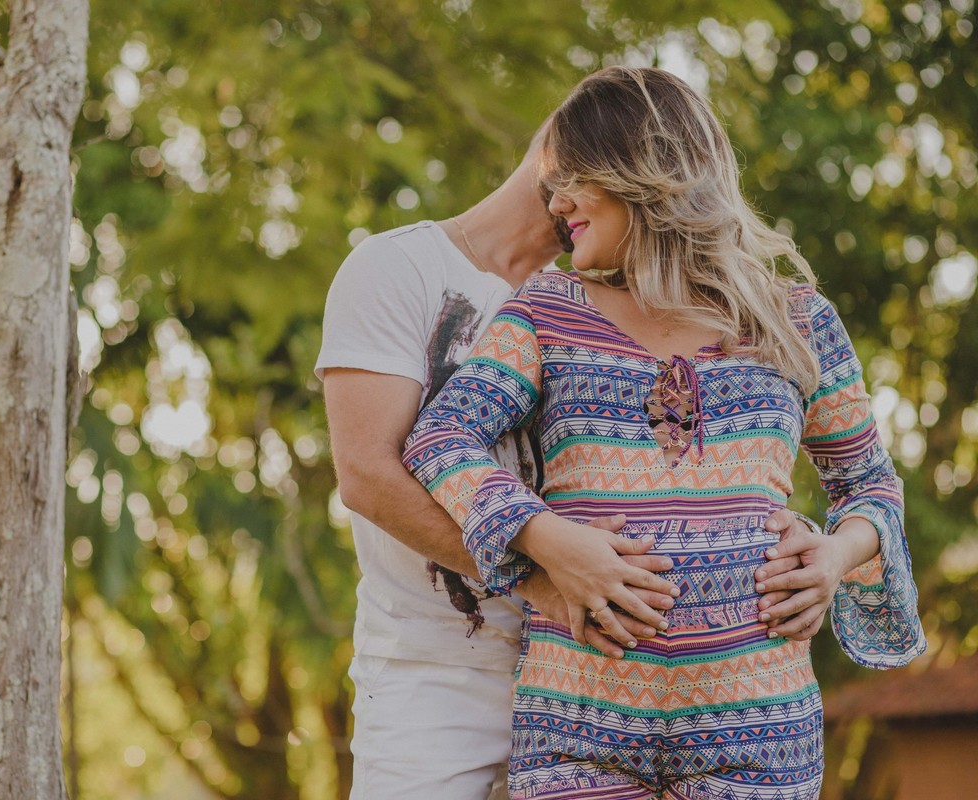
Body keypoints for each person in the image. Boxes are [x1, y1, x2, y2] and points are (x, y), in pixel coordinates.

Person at [402, 66, 926, 800]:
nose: (554, 205)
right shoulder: (544, 313)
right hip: (576, 725)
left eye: (571, 179)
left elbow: (869, 485)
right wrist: (544, 539)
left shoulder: (796, 321)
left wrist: (835, 558)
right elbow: (441, 437)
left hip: (760, 731)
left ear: (640, 170)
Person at [317, 104, 818, 799]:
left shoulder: (605, 297)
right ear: (563, 148)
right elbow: (369, 476)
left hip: (588, 678)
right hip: (437, 680)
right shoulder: (399, 266)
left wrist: (787, 544)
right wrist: (548, 577)